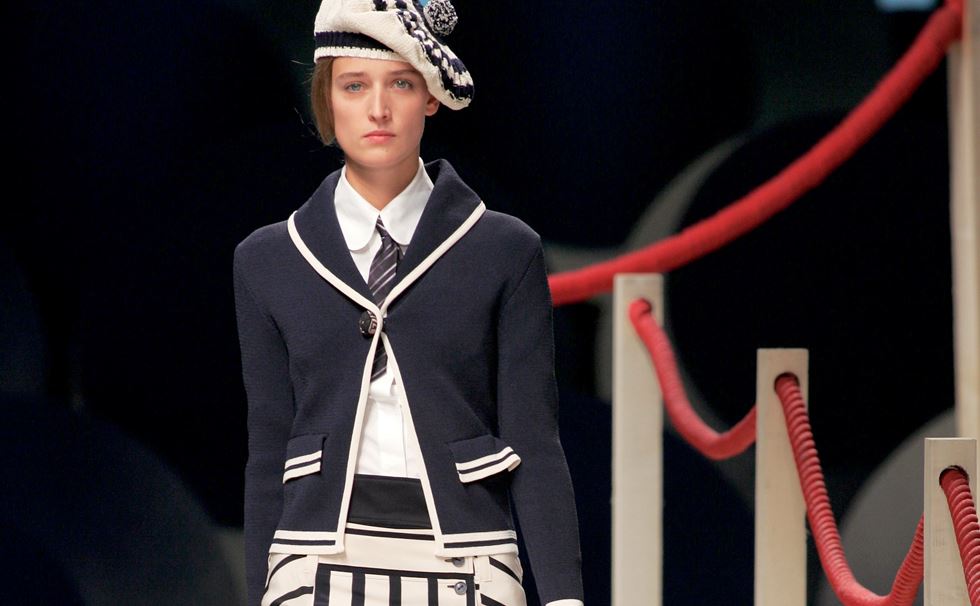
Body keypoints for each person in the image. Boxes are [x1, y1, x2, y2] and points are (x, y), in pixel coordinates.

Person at [233, 1, 584, 604]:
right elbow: (268, 448)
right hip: (312, 557)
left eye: (400, 82)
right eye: (354, 85)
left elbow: (534, 439)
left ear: (431, 96)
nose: (378, 108)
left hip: (470, 556)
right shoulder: (269, 259)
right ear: (327, 100)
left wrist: (563, 598)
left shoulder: (503, 249)